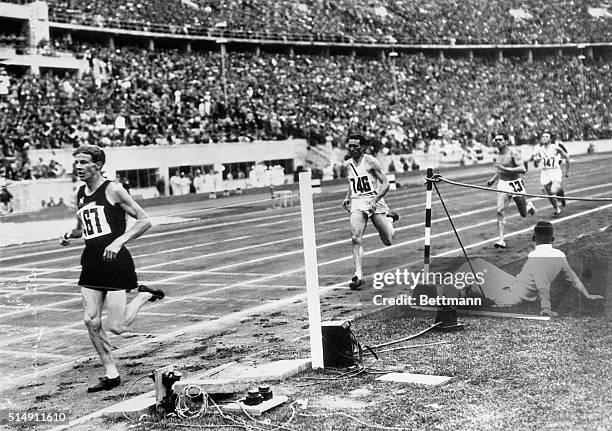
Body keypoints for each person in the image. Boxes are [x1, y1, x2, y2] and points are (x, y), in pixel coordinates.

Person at [60, 145, 164, 392]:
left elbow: (144, 220)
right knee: (90, 320)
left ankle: (144, 295)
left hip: (116, 263)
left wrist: (119, 241)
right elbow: (85, 228)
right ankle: (111, 372)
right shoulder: (81, 193)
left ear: (98, 164)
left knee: (116, 327)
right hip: (91, 261)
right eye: (76, 163)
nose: (78, 167)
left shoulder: (114, 189)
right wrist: (70, 234)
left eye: (84, 162)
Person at [458, 221, 604, 317]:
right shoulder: (560, 255)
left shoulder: (536, 255)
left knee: (472, 267)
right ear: (553, 239)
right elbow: (572, 277)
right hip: (515, 285)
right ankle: (459, 296)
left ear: (534, 238)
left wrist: (545, 308)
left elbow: (542, 284)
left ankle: (450, 300)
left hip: (511, 296)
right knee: (477, 265)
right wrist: (587, 295)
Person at [342, 134, 399, 290]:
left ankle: (390, 220)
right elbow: (353, 182)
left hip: (375, 200)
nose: (352, 149)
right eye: (350, 146)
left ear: (362, 148)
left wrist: (375, 200)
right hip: (358, 202)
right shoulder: (347, 164)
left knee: (388, 240)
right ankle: (358, 275)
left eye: (355, 146)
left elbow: (386, 184)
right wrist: (348, 197)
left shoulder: (371, 161)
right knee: (355, 238)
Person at [486, 132, 536, 249]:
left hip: (515, 184)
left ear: (506, 141)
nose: (497, 141)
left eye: (500, 139)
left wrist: (507, 169)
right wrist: (493, 179)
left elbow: (523, 169)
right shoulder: (497, 155)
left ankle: (529, 207)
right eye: (496, 140)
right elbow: (499, 170)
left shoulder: (513, 153)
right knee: (499, 210)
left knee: (523, 214)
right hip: (503, 185)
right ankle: (501, 240)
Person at [533, 130, 569, 217]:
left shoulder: (556, 148)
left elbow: (567, 157)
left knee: (553, 191)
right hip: (545, 172)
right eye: (543, 137)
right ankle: (557, 209)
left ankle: (561, 193)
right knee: (549, 194)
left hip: (555, 171)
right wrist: (536, 161)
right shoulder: (539, 150)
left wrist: (567, 171)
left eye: (547, 137)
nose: (544, 138)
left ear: (550, 139)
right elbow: (536, 165)